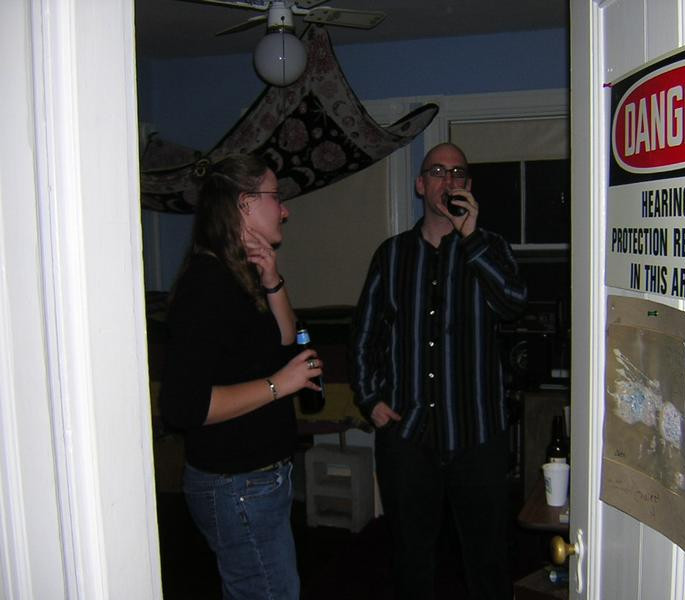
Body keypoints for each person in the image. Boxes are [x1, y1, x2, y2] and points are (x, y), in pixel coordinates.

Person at [350, 142, 528, 599]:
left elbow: (513, 305)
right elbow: (366, 334)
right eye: (437, 171)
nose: (449, 180)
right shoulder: (391, 255)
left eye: (458, 172)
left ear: (468, 184)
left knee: (488, 560)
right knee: (411, 557)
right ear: (420, 184)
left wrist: (471, 238)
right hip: (408, 435)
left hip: (478, 433)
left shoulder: (491, 247)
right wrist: (370, 398)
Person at [159, 154, 323, 600]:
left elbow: (285, 339)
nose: (284, 210)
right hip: (236, 484)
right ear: (245, 204)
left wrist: (272, 279)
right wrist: (279, 385)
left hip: (258, 480)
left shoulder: (242, 273)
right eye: (276, 197)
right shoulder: (207, 283)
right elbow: (184, 407)